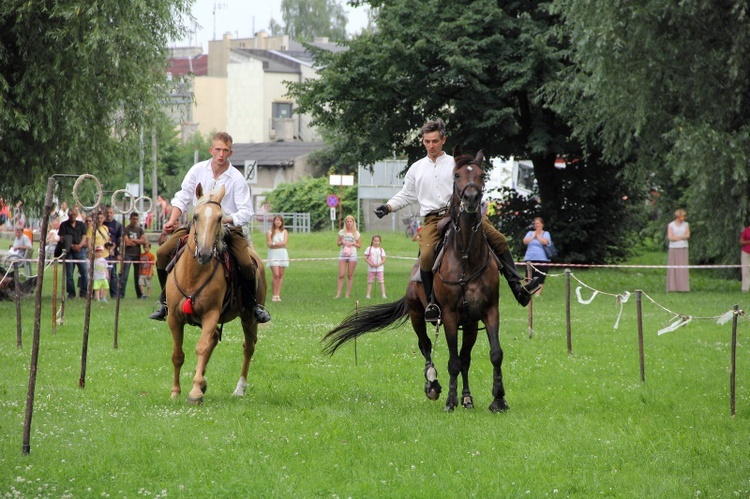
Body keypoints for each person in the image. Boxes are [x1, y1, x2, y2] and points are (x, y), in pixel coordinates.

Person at [374, 118, 541, 322]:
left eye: (435, 141)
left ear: (443, 140)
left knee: (498, 239)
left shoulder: (456, 164)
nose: (431, 145)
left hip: (463, 214)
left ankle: (518, 288)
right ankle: (432, 304)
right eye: (427, 141)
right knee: (426, 255)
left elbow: (472, 181)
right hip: (433, 219)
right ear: (422, 142)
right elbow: (407, 194)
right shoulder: (416, 168)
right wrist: (388, 206)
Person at [148, 131, 270, 323]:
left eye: (225, 150)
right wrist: (172, 219)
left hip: (227, 228)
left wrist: (225, 219)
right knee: (163, 253)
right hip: (197, 224)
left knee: (247, 264)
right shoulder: (198, 170)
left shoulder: (236, 178)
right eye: (218, 149)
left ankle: (252, 305)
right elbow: (183, 197)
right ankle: (166, 303)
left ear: (230, 152)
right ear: (211, 150)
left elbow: (246, 211)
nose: (221, 154)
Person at [57, 206, 89, 299]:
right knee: (69, 274)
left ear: (77, 215)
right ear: (68, 215)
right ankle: (71, 293)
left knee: (84, 272)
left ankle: (83, 292)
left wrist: (79, 246)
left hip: (80, 250)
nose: (72, 216)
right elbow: (62, 238)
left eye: (74, 214)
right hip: (69, 251)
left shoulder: (82, 225)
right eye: (71, 214)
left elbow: (84, 237)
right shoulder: (63, 225)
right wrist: (71, 246)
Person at [522, 217, 553, 296]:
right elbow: (525, 241)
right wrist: (533, 235)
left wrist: (538, 236)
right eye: (535, 224)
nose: (537, 225)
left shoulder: (546, 233)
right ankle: (527, 292)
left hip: (543, 259)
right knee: (529, 276)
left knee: (541, 277)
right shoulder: (530, 233)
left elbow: (545, 242)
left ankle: (537, 295)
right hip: (530, 259)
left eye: (538, 223)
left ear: (542, 225)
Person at [335, 215, 361, 299]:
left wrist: (353, 244)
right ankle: (338, 294)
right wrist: (342, 242)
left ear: (353, 222)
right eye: (347, 221)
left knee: (350, 275)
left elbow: (359, 245)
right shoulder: (342, 232)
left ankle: (347, 294)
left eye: (351, 221)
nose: (349, 223)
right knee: (341, 274)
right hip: (343, 254)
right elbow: (338, 243)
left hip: (352, 254)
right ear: (345, 223)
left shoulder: (356, 233)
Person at [121, 212, 147, 298]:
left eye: (136, 219)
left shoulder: (140, 229)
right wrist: (138, 240)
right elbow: (127, 242)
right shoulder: (125, 229)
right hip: (128, 254)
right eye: (133, 219)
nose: (135, 221)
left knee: (138, 276)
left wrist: (134, 240)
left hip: (137, 255)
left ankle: (139, 295)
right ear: (130, 219)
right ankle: (121, 294)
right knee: (125, 275)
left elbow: (144, 241)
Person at [266, 215, 289, 302]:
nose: (278, 222)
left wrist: (274, 244)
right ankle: (274, 294)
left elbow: (285, 243)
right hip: (273, 255)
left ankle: (278, 294)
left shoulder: (284, 232)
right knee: (275, 275)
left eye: (280, 220)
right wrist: (277, 244)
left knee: (280, 275)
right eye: (276, 220)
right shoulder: (269, 232)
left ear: (282, 222)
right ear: (274, 221)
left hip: (282, 254)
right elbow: (269, 244)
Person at [667, 208, 690, 292]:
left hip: (683, 247)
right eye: (681, 217)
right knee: (673, 267)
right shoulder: (671, 225)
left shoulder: (686, 224)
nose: (682, 218)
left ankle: (683, 287)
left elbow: (687, 235)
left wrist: (677, 237)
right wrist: (681, 237)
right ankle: (672, 287)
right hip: (673, 248)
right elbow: (670, 237)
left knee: (683, 268)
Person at [103, 206, 123, 299]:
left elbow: (120, 241)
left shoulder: (118, 225)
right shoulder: (101, 224)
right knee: (101, 273)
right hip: (102, 253)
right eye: (107, 212)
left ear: (113, 213)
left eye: (110, 212)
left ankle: (114, 294)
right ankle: (101, 294)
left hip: (113, 253)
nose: (109, 214)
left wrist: (119, 253)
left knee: (113, 274)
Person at [364, 234, 387, 299]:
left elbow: (384, 259)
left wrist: (379, 264)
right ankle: (368, 295)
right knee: (370, 281)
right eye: (375, 241)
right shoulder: (369, 249)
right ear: (372, 241)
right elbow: (366, 258)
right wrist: (370, 263)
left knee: (381, 281)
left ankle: (383, 294)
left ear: (380, 242)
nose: (376, 242)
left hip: (380, 269)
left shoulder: (381, 250)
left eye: (378, 241)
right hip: (371, 269)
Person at [741, 222, 750, 292]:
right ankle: (745, 288)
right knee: (745, 270)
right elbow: (741, 242)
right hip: (746, 253)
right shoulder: (746, 230)